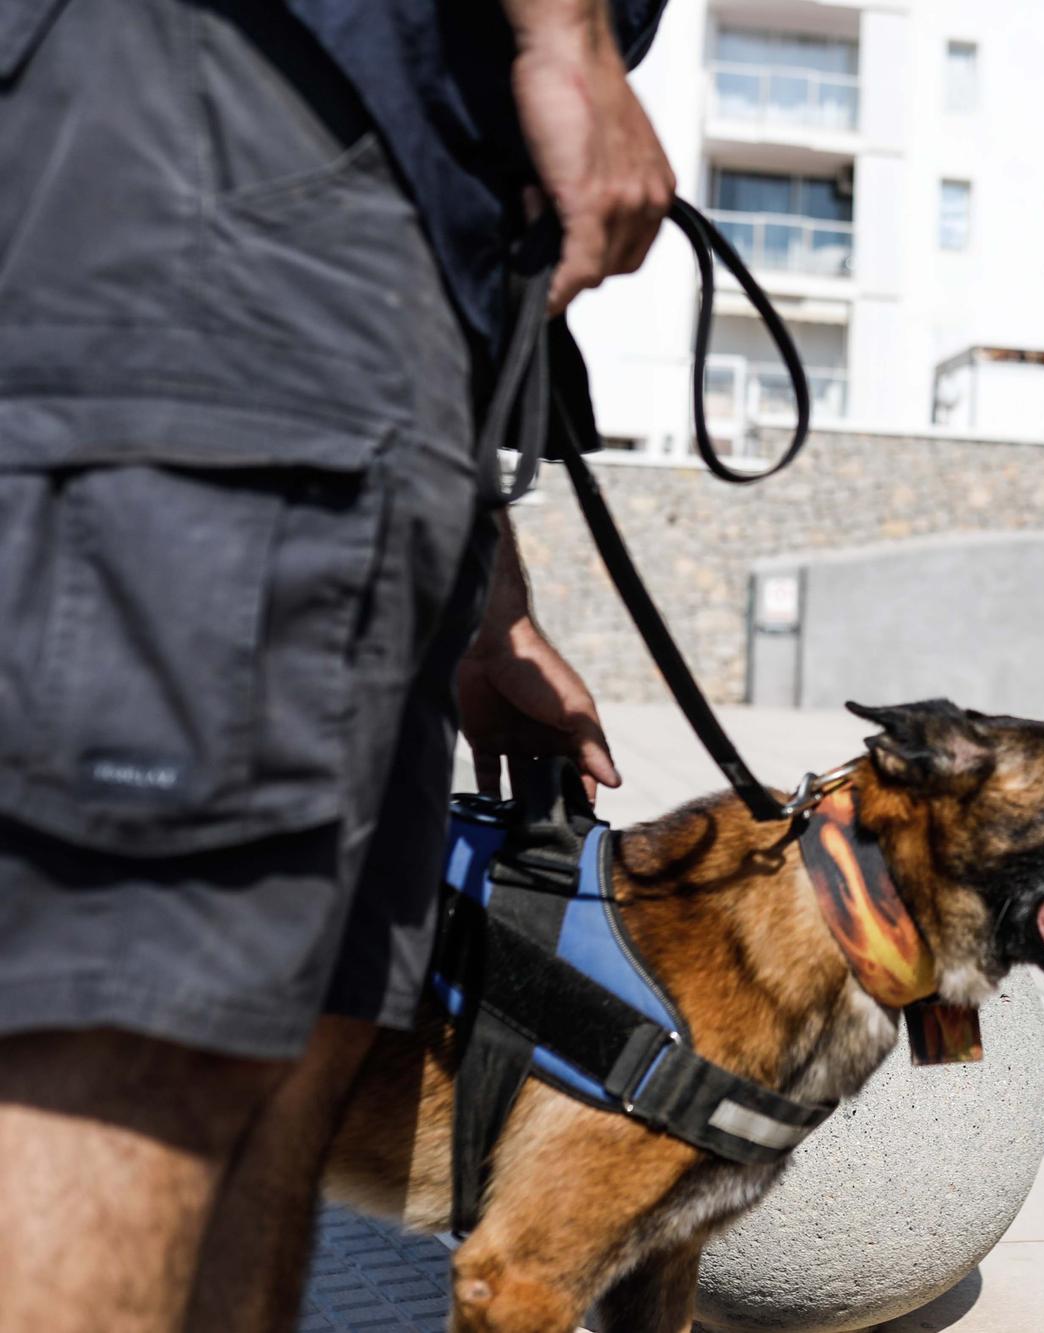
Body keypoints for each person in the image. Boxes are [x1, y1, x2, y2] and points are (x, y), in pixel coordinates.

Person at [0, 2, 673, 1329]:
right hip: (246, 146)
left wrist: (492, 610)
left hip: (369, 261)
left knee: (297, 1055)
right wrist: (568, 35)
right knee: (144, 1045)